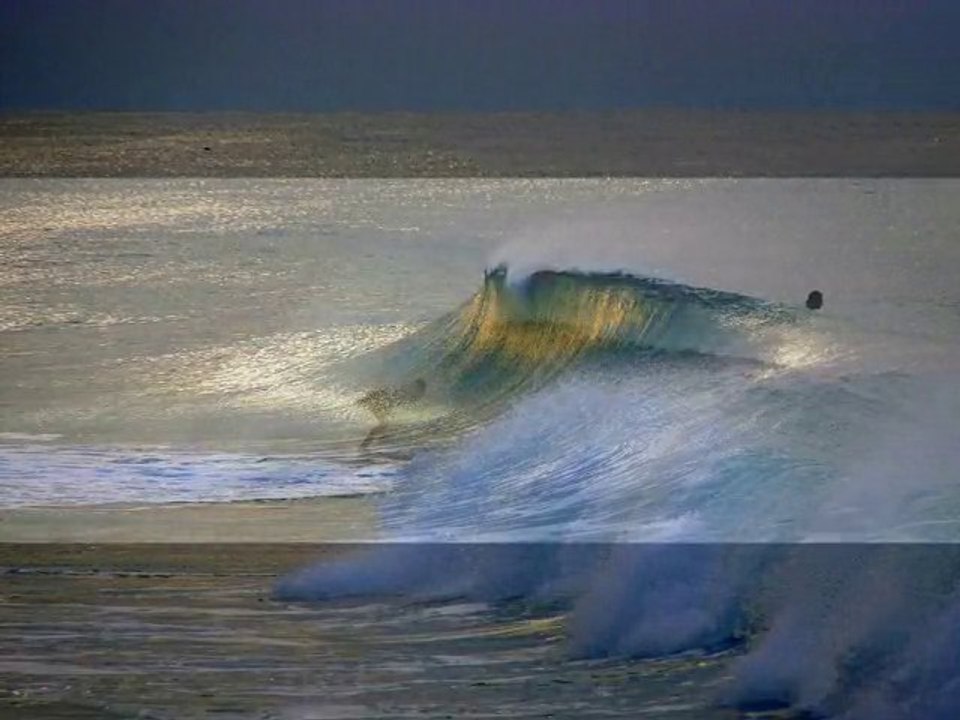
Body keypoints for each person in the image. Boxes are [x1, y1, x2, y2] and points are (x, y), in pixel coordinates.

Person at [357, 378, 427, 449]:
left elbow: (396, 400)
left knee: (385, 424)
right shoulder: (406, 392)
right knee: (384, 424)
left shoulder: (405, 391)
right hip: (378, 399)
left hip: (379, 399)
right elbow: (399, 399)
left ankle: (376, 442)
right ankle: (364, 445)